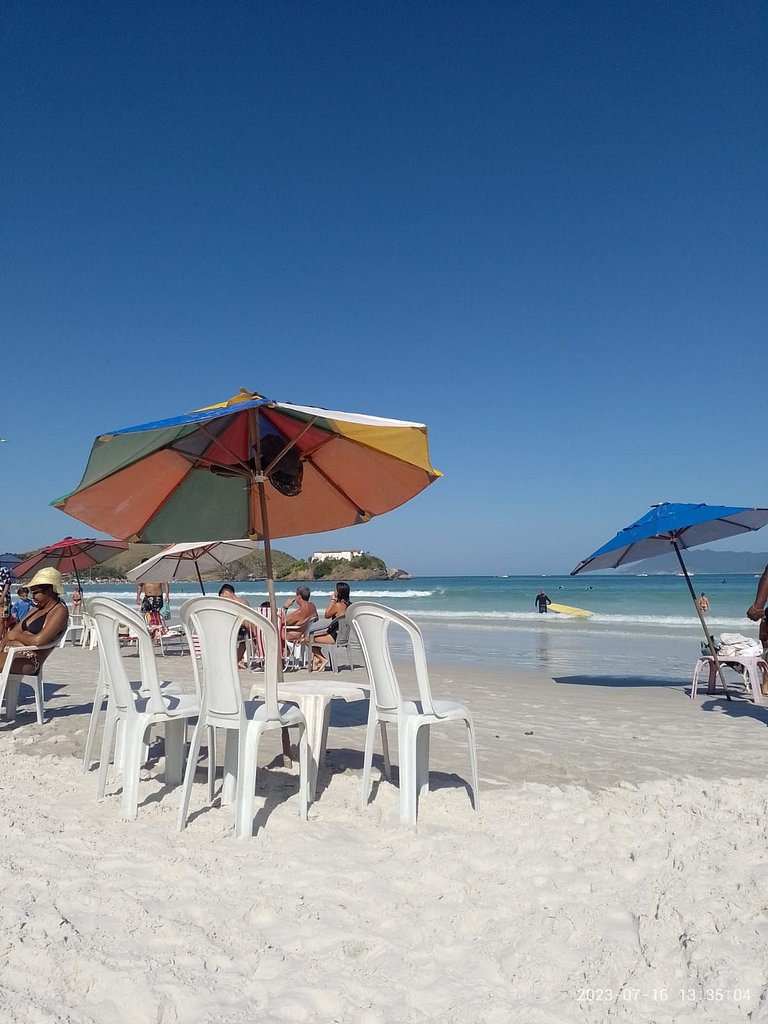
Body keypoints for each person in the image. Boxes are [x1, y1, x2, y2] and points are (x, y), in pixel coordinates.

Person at [0, 568, 69, 678]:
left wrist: (16, 637)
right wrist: (4, 643)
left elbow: (38, 640)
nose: (32, 597)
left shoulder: (60, 611)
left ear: (49, 591)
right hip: (14, 651)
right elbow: (14, 631)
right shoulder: (38, 607)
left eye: (35, 593)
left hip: (30, 660)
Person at [310, 582, 351, 672]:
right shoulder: (349, 605)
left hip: (333, 636)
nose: (333, 592)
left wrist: (332, 600)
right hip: (342, 636)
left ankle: (322, 658)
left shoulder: (338, 605)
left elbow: (327, 615)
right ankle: (317, 658)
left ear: (339, 592)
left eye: (335, 590)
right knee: (311, 636)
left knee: (305, 638)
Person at [218, 583, 252, 668]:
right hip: (248, 630)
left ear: (225, 593)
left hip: (235, 629)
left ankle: (233, 661)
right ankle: (238, 660)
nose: (221, 598)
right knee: (243, 641)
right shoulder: (244, 601)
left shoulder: (228, 602)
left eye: (221, 596)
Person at [135, 569, 170, 644]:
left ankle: (156, 637)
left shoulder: (157, 573)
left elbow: (166, 583)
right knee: (144, 615)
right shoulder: (142, 575)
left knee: (156, 616)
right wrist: (138, 597)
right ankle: (146, 633)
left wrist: (167, 595)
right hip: (147, 597)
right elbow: (139, 586)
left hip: (157, 597)